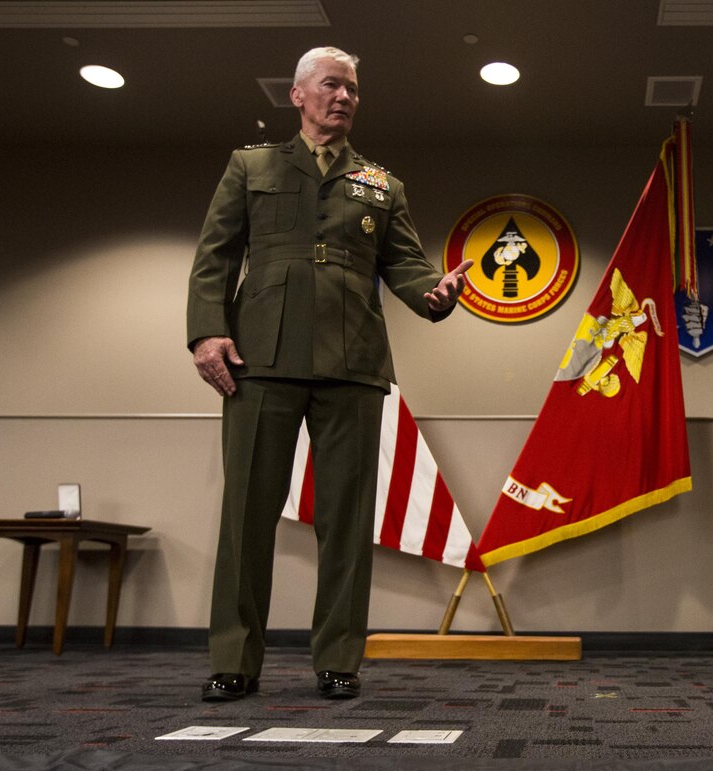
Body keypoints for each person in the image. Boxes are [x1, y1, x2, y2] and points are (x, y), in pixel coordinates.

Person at [187, 46, 471, 702]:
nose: (343, 96)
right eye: (330, 85)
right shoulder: (251, 165)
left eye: (352, 89)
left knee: (346, 518)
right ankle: (234, 659)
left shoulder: (381, 183)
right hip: (261, 357)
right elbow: (215, 255)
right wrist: (205, 332)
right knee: (247, 514)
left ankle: (339, 658)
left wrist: (435, 293)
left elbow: (406, 265)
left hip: (353, 360)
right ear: (298, 94)